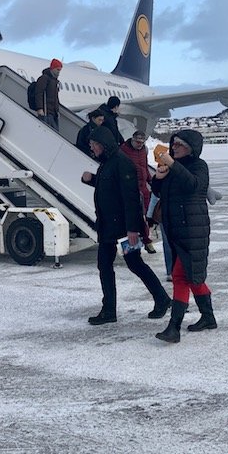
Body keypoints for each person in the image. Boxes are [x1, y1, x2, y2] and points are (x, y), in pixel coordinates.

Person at [81, 126, 171, 325]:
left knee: (132, 264)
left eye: (94, 144)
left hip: (122, 228)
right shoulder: (108, 162)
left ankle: (161, 300)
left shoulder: (121, 163)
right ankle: (111, 310)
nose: (92, 148)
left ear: (103, 145)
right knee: (109, 265)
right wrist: (92, 180)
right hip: (110, 226)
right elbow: (110, 187)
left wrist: (133, 230)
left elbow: (131, 198)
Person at [151, 129, 216, 343]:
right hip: (176, 230)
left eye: (179, 144)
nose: (174, 147)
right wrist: (158, 179)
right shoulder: (174, 168)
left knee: (180, 276)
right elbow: (161, 193)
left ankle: (174, 327)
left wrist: (172, 165)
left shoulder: (199, 166)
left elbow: (194, 186)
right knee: (192, 276)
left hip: (192, 230)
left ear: (191, 147)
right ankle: (208, 317)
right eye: (174, 144)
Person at [119, 130, 157, 255]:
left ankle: (146, 241)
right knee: (135, 216)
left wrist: (150, 180)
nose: (140, 144)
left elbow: (145, 166)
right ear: (132, 139)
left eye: (142, 142)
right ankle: (135, 243)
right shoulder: (123, 150)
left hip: (143, 188)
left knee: (145, 216)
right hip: (132, 188)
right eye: (138, 142)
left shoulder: (143, 150)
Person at [35, 58, 63, 131]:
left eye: (60, 70)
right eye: (57, 70)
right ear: (53, 68)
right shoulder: (44, 78)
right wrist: (40, 108)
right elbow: (39, 93)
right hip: (46, 112)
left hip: (53, 113)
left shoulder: (55, 81)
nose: (59, 72)